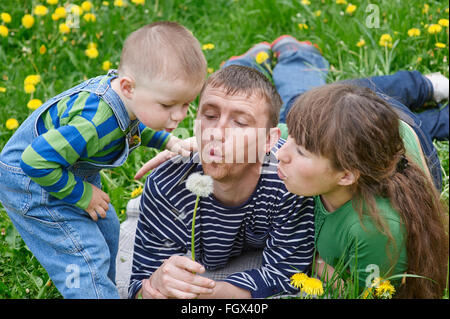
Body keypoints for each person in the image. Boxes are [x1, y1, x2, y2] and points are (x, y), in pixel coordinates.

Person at [0, 21, 206, 298]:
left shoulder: (130, 101)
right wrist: (82, 194)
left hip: (63, 170)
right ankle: (89, 288)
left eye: (186, 104)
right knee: (84, 255)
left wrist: (169, 141)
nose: (180, 115)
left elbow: (133, 125)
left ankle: (99, 290)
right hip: (35, 184)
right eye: (168, 106)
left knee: (107, 226)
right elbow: (35, 160)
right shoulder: (93, 123)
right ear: (128, 87)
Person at [252, 35, 448, 298]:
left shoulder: (371, 231)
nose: (281, 154)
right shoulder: (328, 164)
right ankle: (424, 86)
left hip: (412, 141)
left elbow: (359, 291)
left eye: (300, 151)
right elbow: (272, 134)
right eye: (291, 142)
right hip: (380, 133)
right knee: (317, 105)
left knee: (306, 105)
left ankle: (299, 56)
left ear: (345, 176)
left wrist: (312, 262)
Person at [128, 64, 316, 299]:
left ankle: (295, 53)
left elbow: (288, 274)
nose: (216, 132)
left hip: (295, 124)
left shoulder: (289, 181)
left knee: (303, 103)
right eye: (209, 116)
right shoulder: (168, 186)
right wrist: (153, 288)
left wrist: (207, 294)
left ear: (268, 141)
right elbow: (140, 281)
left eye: (239, 122)